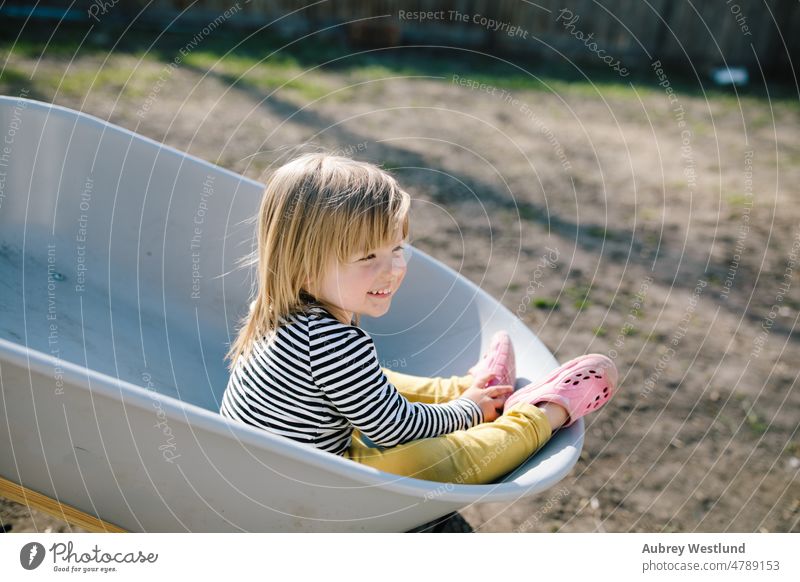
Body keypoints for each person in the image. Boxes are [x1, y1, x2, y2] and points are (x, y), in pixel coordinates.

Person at [220, 152, 618, 484]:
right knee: (443, 459)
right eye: (367, 258)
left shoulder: (277, 312)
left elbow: (363, 392)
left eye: (396, 249)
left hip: (281, 471)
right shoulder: (329, 341)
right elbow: (392, 430)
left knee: (372, 379)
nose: (391, 269)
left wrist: (463, 399)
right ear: (304, 265)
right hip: (319, 486)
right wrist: (469, 412)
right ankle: (542, 414)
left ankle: (474, 387)